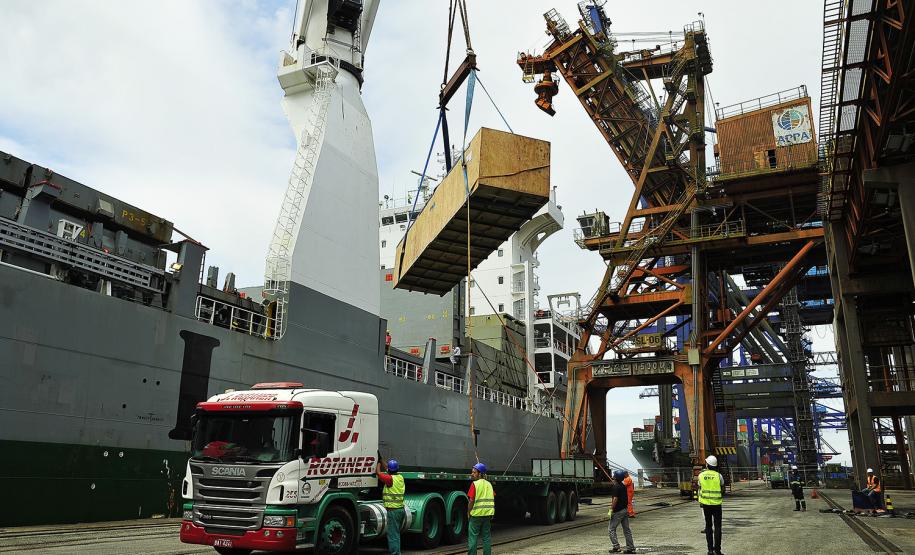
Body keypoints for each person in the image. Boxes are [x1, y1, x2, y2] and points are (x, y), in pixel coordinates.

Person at [377, 459, 405, 555]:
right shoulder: (400, 477)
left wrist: (378, 463)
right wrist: (382, 459)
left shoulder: (389, 479)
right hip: (401, 510)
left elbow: (378, 473)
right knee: (396, 533)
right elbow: (387, 470)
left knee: (393, 535)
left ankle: (395, 553)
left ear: (389, 470)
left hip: (393, 511)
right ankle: (397, 552)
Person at [698, 455, 724, 555]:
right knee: (718, 527)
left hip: (706, 505)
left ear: (707, 464)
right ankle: (717, 550)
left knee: (708, 526)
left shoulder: (701, 475)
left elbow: (700, 487)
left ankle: (710, 550)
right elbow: (722, 488)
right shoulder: (719, 476)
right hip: (717, 504)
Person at [468, 462, 495, 555]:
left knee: (473, 537)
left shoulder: (474, 484)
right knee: (486, 538)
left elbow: (471, 500)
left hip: (476, 515)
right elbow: (492, 498)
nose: (472, 474)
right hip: (487, 515)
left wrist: (468, 512)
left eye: (474, 472)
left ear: (480, 474)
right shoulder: (489, 485)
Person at [607, 469, 636, 554]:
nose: (613, 477)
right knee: (627, 530)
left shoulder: (616, 487)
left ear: (616, 478)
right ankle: (631, 548)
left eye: (614, 476)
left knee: (611, 529)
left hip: (618, 511)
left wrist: (611, 510)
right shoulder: (623, 486)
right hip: (625, 510)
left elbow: (615, 499)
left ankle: (616, 547)